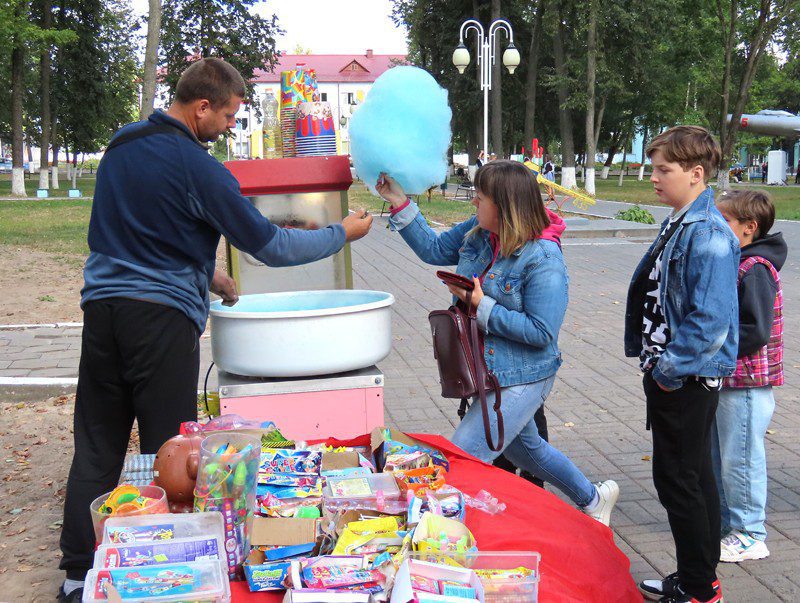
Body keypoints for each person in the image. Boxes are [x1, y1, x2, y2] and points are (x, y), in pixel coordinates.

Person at [57, 58, 373, 603]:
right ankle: (164, 574)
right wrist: (340, 233)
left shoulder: (122, 146)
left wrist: (208, 276)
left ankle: (78, 575)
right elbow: (272, 246)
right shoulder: (198, 167)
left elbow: (139, 233)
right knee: (172, 451)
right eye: (227, 116)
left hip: (103, 313)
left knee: (96, 445)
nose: (228, 127)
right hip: (160, 323)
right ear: (201, 107)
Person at [376, 161, 619, 526]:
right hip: (489, 369)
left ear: (504, 206)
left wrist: (480, 305)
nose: (473, 202)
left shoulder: (543, 258)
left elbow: (541, 332)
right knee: (528, 452)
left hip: (524, 375)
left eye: (480, 197)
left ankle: (437, 535)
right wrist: (398, 200)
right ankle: (595, 498)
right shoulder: (479, 232)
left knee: (462, 458)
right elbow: (433, 249)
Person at [627, 126, 739, 603]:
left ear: (696, 173)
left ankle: (699, 588)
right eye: (653, 168)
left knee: (678, 481)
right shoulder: (682, 220)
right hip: (677, 374)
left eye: (663, 170)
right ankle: (700, 578)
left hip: (684, 378)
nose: (653, 177)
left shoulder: (708, 233)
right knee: (694, 477)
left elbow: (710, 322)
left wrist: (666, 372)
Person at [712, 190, 786, 563]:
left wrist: (712, 348)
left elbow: (754, 330)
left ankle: (750, 533)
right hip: (730, 379)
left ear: (749, 227)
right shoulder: (738, 260)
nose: (716, 226)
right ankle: (729, 525)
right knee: (724, 458)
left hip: (745, 384)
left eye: (724, 220)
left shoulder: (754, 268)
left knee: (740, 459)